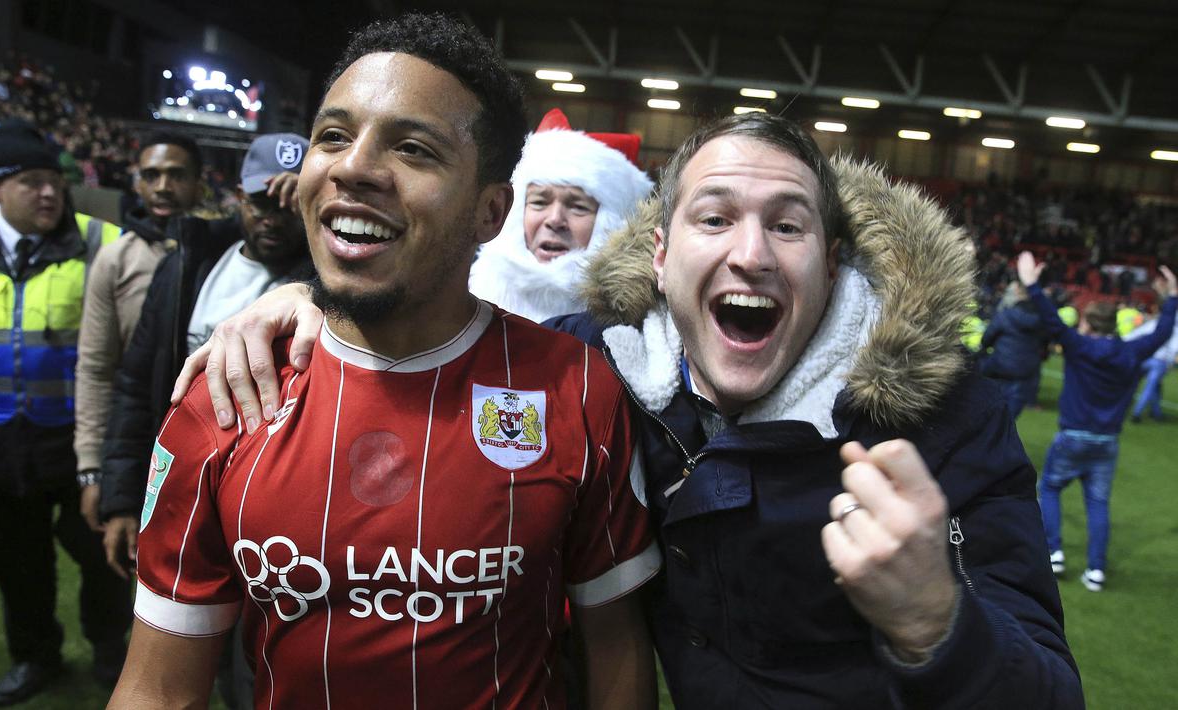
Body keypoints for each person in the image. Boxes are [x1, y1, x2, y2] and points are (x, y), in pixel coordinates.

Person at [179, 114, 1084, 708]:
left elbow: (1049, 691)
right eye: (715, 218)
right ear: (657, 255)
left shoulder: (942, 415)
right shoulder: (587, 366)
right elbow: (442, 338)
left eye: (788, 225)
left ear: (834, 262)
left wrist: (936, 623)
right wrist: (321, 310)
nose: (752, 255)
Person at [109, 14, 659, 709]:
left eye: (413, 149)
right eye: (332, 136)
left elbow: (614, 647)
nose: (352, 166)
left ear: (491, 213)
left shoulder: (577, 387)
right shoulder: (225, 394)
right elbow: (159, 691)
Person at [0, 119, 130, 706]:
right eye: (32, 182)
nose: (50, 193)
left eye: (55, 180)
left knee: (103, 557)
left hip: (81, 445)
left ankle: (109, 647)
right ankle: (35, 656)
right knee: (17, 562)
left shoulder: (102, 241)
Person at [99, 131, 311, 579]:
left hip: (274, 504)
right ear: (237, 198)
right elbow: (136, 384)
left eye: (291, 203)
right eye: (261, 201)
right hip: (181, 483)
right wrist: (120, 496)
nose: (275, 217)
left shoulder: (327, 286)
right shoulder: (187, 267)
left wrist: (317, 218)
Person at [1019, 252, 1177, 592]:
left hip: (1073, 435)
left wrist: (1031, 283)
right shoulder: (1131, 352)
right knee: (1098, 504)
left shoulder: (1078, 346)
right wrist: (1172, 296)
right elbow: (1164, 331)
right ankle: (1096, 571)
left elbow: (1051, 320)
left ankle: (1055, 551)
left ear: (1088, 323)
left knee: (1048, 488)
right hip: (1107, 441)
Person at [74, 131, 205, 538]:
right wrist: (92, 467)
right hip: (137, 438)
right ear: (137, 183)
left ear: (199, 183)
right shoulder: (116, 259)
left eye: (176, 175)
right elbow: (97, 368)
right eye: (151, 175)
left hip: (208, 441)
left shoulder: (227, 253)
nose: (163, 186)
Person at [468, 108, 652, 322]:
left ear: (612, 223)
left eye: (578, 207)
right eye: (539, 202)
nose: (555, 219)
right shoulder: (468, 296)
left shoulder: (635, 321)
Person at [980, 282, 1049, 418]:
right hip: (1025, 371)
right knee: (1010, 415)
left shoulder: (1005, 315)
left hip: (1000, 366)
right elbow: (1045, 342)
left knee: (988, 407)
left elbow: (987, 338)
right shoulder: (1041, 320)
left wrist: (984, 348)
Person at [1127, 308, 1178, 422]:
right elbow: (1174, 349)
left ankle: (1156, 413)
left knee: (1152, 385)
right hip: (1160, 362)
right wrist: (1169, 362)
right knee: (1150, 386)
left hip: (1145, 358)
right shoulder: (1175, 330)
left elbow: (1133, 335)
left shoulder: (1154, 323)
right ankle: (1137, 413)